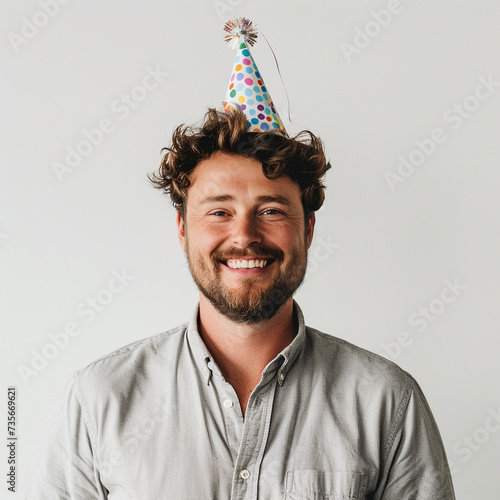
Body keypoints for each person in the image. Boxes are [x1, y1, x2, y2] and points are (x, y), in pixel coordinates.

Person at [26, 18, 455, 500]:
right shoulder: (98, 400)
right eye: (219, 211)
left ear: (308, 229)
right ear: (183, 230)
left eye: (271, 210)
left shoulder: (387, 402)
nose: (245, 236)